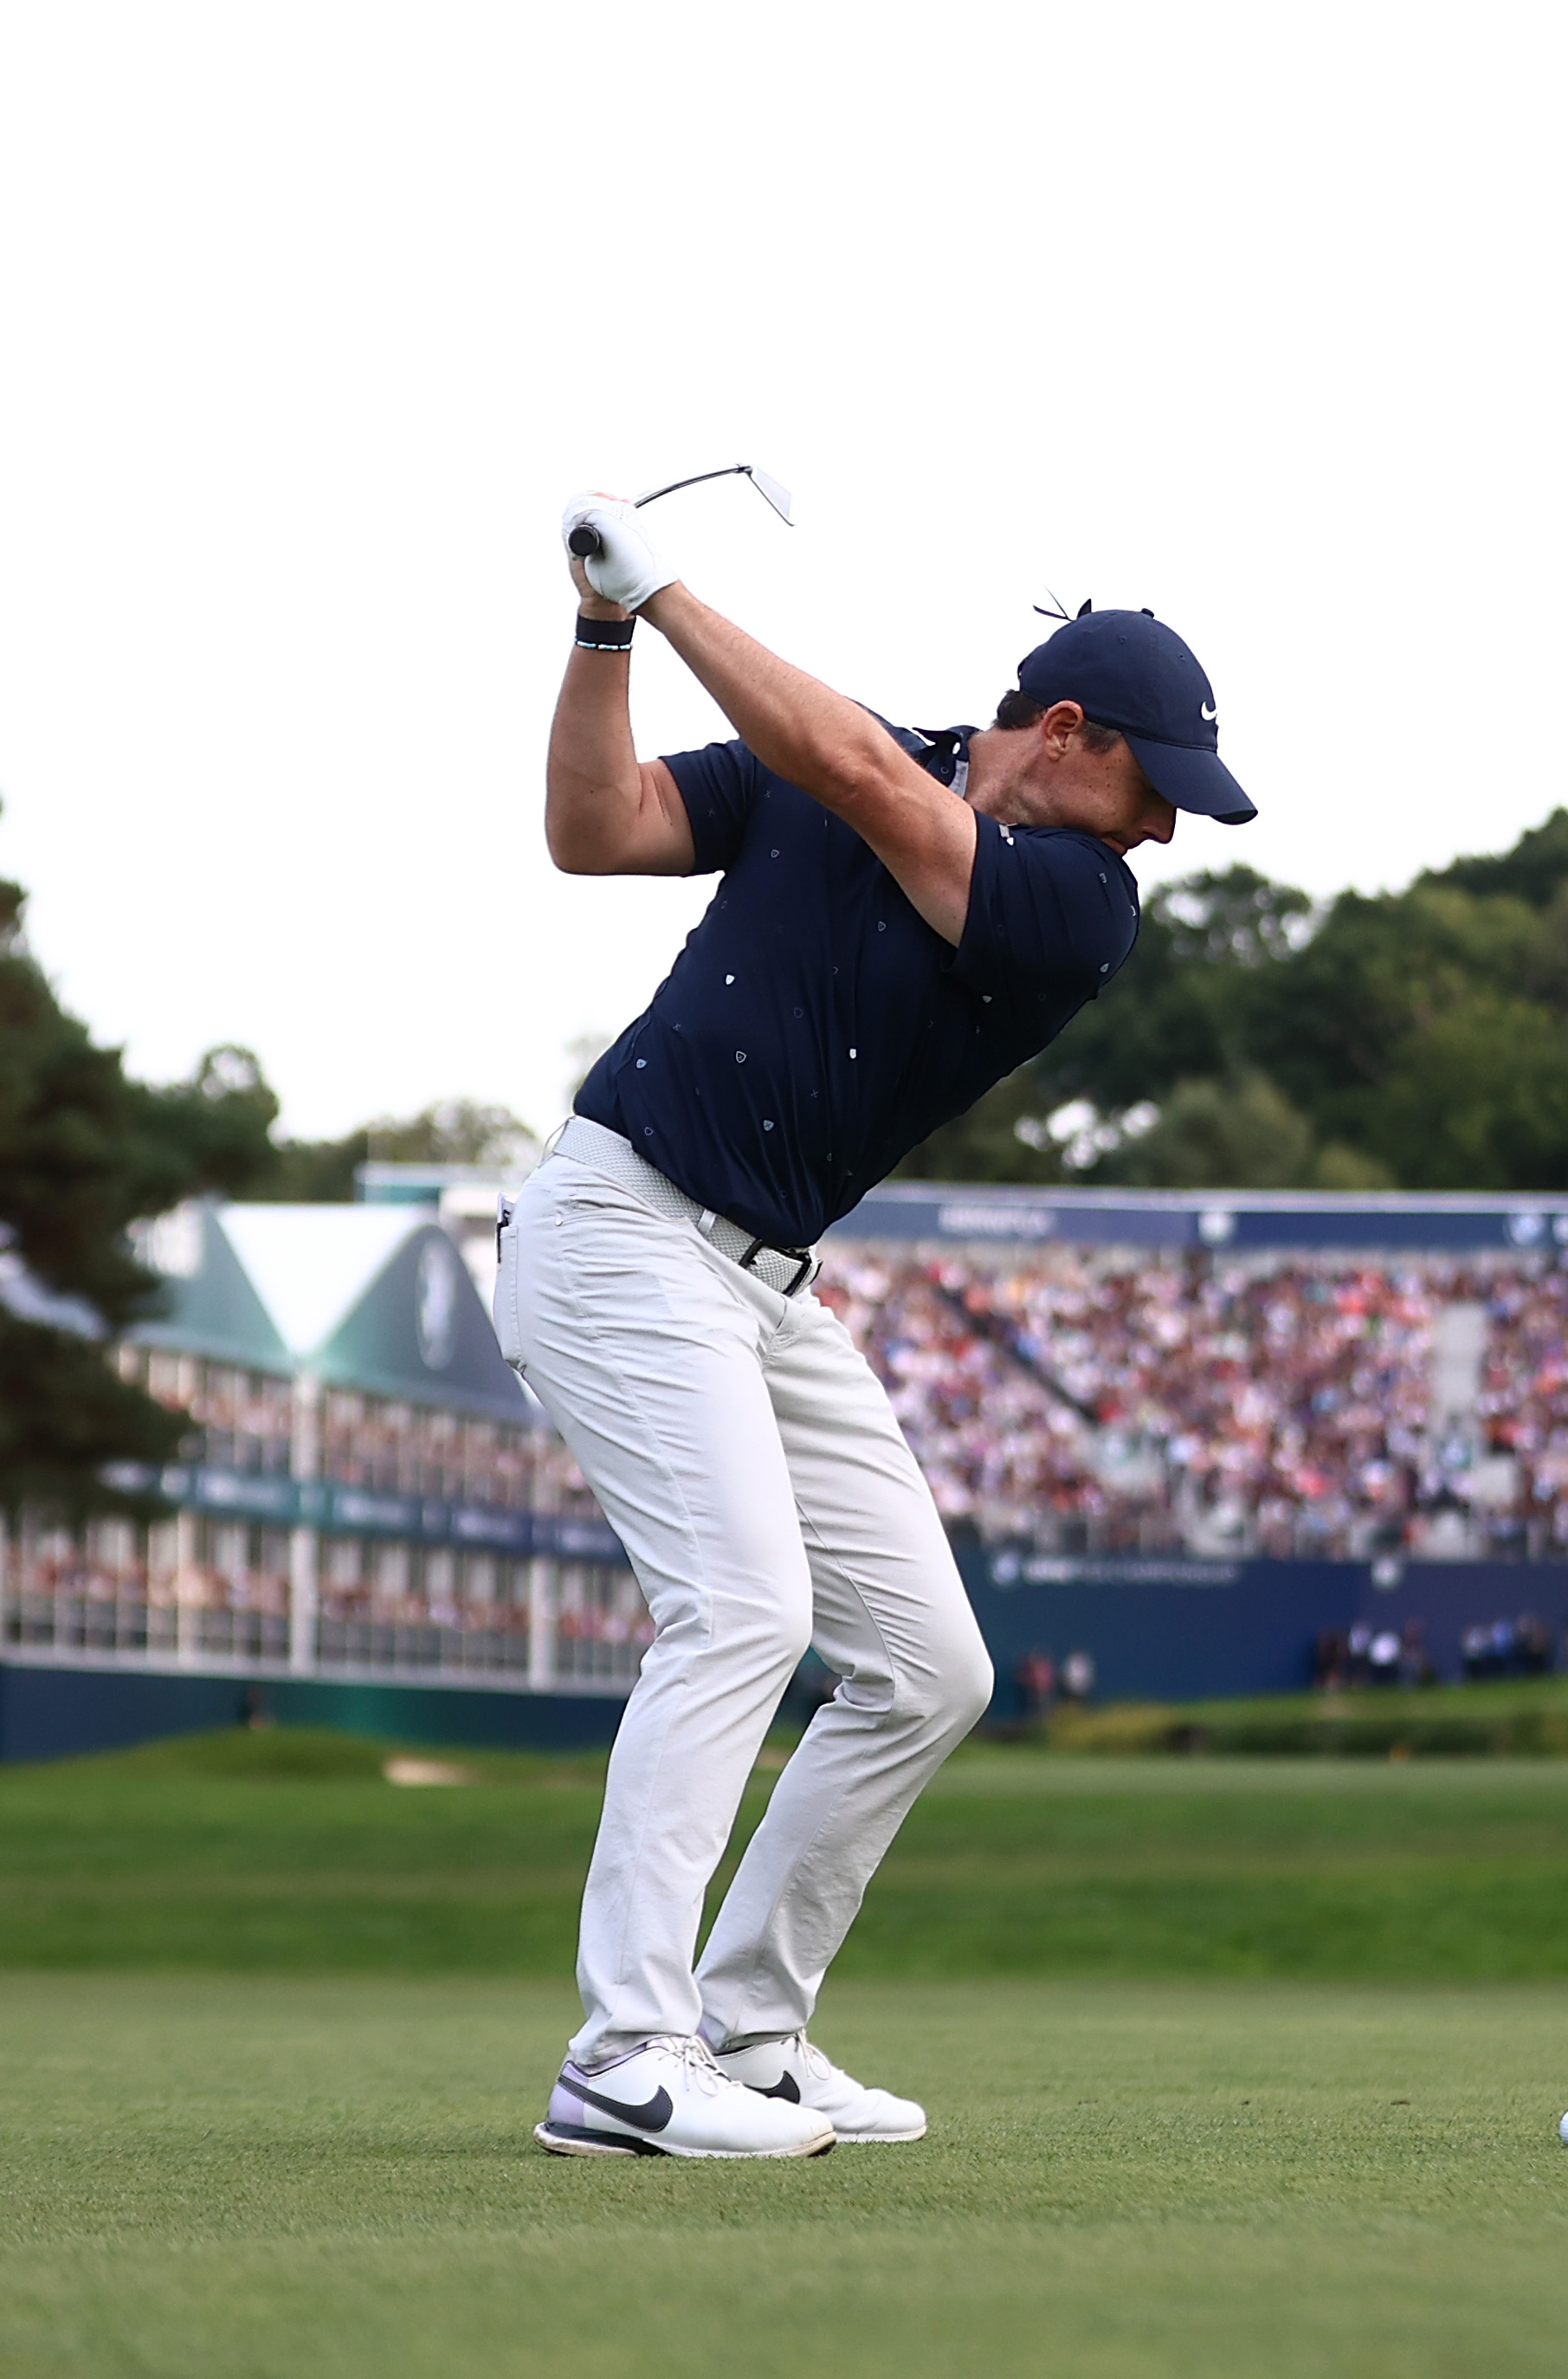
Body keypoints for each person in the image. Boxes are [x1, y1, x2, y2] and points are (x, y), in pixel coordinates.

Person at [503, 484, 1252, 2163]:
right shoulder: (837, 759)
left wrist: (662, 587)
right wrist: (603, 631)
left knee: (928, 1670)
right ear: (1065, 729)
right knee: (741, 1614)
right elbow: (598, 826)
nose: (1162, 833)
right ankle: (626, 2054)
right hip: (618, 1227)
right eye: (1154, 788)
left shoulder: (1079, 901)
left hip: (764, 1284)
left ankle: (747, 2035)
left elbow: (856, 775)